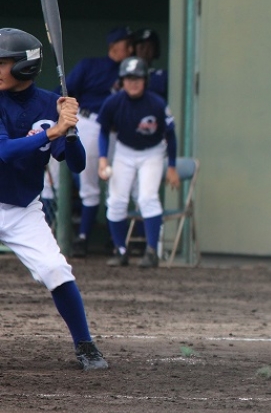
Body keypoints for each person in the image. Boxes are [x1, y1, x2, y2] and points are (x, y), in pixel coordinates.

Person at [0, 28, 108, 370]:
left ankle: (85, 345)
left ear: (24, 66)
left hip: (22, 208)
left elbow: (76, 164)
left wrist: (71, 131)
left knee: (55, 269)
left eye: (2, 63)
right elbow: (5, 152)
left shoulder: (51, 105)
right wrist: (54, 131)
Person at [97, 56, 179, 268]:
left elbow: (171, 136)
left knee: (147, 198)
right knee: (116, 200)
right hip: (124, 151)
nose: (133, 83)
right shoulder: (113, 102)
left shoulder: (157, 103)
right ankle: (121, 250)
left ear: (145, 81)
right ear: (122, 81)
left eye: (138, 78)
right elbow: (103, 131)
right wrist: (103, 159)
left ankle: (151, 252)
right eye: (128, 78)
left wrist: (172, 166)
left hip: (152, 152)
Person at [65, 26, 133, 257]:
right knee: (89, 185)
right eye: (126, 44)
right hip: (91, 124)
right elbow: (66, 91)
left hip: (118, 131)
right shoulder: (90, 65)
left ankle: (116, 241)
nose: (130, 49)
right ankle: (83, 238)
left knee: (119, 184)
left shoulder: (130, 72)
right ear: (113, 46)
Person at [131, 28, 167, 100]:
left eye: (150, 47)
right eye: (142, 47)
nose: (145, 51)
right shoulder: (123, 75)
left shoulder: (163, 76)